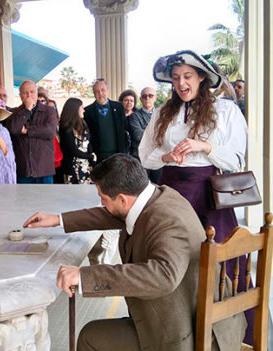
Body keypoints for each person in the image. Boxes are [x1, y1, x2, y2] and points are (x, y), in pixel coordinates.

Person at [23, 154, 246, 351]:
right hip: (187, 315)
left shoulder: (166, 221)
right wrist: (57, 220)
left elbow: (163, 277)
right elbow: (113, 214)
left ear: (122, 199)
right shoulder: (159, 196)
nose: (102, 203)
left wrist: (84, 276)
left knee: (91, 337)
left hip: (186, 335)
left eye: (103, 198)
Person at [139, 50, 252, 342]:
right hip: (170, 193)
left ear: (202, 77)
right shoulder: (164, 111)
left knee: (221, 263)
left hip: (209, 196)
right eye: (176, 78)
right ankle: (180, 335)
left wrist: (205, 147)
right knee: (171, 262)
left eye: (187, 76)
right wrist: (167, 155)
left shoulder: (225, 110)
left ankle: (231, 337)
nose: (180, 83)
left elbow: (237, 158)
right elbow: (144, 157)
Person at [6, 80, 58, 184]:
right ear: (20, 96)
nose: (29, 95)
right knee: (24, 200)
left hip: (44, 169)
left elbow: (50, 131)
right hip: (23, 169)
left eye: (32, 91)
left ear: (37, 93)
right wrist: (27, 110)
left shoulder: (49, 111)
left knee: (46, 200)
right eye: (25, 92)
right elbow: (13, 129)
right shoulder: (14, 113)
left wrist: (27, 130)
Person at [84, 79, 127, 162]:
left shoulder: (119, 107)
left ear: (108, 91)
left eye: (103, 90)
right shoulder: (87, 111)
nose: (100, 94)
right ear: (93, 93)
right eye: (97, 91)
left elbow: (124, 128)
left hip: (118, 155)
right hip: (98, 156)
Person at [127, 87, 161, 183]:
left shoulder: (162, 115)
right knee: (141, 189)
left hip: (157, 158)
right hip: (140, 159)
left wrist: (146, 130)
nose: (147, 98)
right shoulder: (134, 116)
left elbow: (165, 136)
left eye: (150, 95)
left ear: (155, 98)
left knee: (158, 189)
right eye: (144, 96)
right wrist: (156, 132)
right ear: (141, 99)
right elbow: (138, 136)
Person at [59, 97, 94, 184]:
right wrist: (90, 156)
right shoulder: (66, 127)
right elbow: (73, 150)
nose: (84, 110)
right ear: (75, 110)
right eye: (82, 107)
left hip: (86, 167)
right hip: (72, 168)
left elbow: (88, 142)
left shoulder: (83, 124)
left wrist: (91, 156)